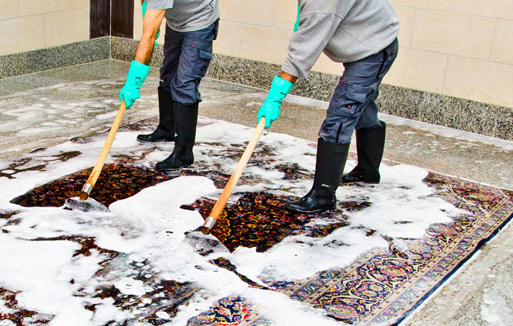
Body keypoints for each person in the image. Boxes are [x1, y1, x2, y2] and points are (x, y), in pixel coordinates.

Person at [257, 0, 400, 214]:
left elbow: (303, 51)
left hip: (374, 47)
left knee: (342, 113)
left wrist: (275, 97)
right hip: (372, 37)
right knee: (362, 106)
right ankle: (368, 171)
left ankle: (323, 196)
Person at [120, 0, 219, 171]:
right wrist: (149, 16)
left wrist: (133, 82)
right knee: (168, 75)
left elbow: (148, 37)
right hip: (176, 22)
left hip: (199, 21)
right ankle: (167, 129)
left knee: (184, 84)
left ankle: (184, 153)